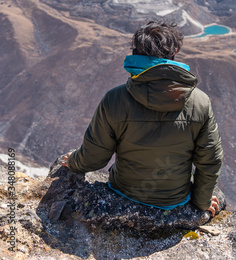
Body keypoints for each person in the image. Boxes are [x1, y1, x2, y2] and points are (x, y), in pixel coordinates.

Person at [62, 20, 223, 216]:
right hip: (175, 199)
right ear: (174, 53)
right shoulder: (200, 101)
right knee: (221, 200)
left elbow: (94, 158)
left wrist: (74, 162)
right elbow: (210, 160)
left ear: (135, 54)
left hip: (124, 192)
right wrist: (202, 201)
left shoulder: (115, 99)